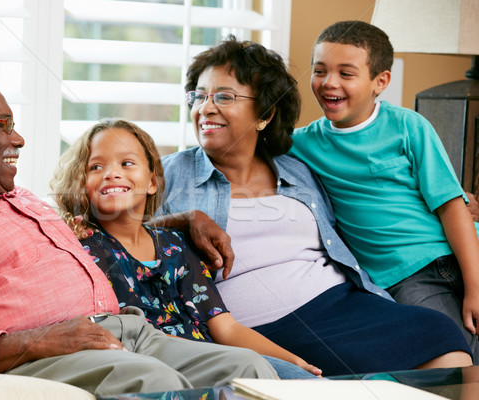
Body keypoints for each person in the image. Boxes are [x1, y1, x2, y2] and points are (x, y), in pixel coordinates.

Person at [0, 75, 279, 396]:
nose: (18, 139)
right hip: (51, 352)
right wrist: (40, 340)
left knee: (250, 370)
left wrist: (185, 218)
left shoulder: (24, 200)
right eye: (5, 126)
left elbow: (114, 226)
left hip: (130, 331)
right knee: (154, 384)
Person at [159, 35, 473, 376]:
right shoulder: (168, 172)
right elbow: (108, 228)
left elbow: (369, 195)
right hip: (254, 325)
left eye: (223, 96)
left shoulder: (298, 166)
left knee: (441, 334)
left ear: (264, 115)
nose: (205, 107)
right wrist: (183, 219)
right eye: (199, 96)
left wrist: (460, 201)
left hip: (342, 302)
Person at [49, 118, 321, 378]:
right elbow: (125, 337)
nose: (112, 173)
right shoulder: (85, 251)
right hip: (158, 366)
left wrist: (295, 362)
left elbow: (226, 327)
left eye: (127, 163)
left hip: (216, 358)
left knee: (310, 385)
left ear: (152, 182)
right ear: (82, 185)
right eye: (95, 167)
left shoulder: (175, 246)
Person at [290, 20, 479, 362]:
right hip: (405, 275)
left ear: (381, 82)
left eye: (346, 73)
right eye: (320, 70)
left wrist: (475, 286)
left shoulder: (409, 126)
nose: (329, 82)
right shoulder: (301, 144)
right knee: (451, 353)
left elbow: (452, 207)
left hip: (464, 250)